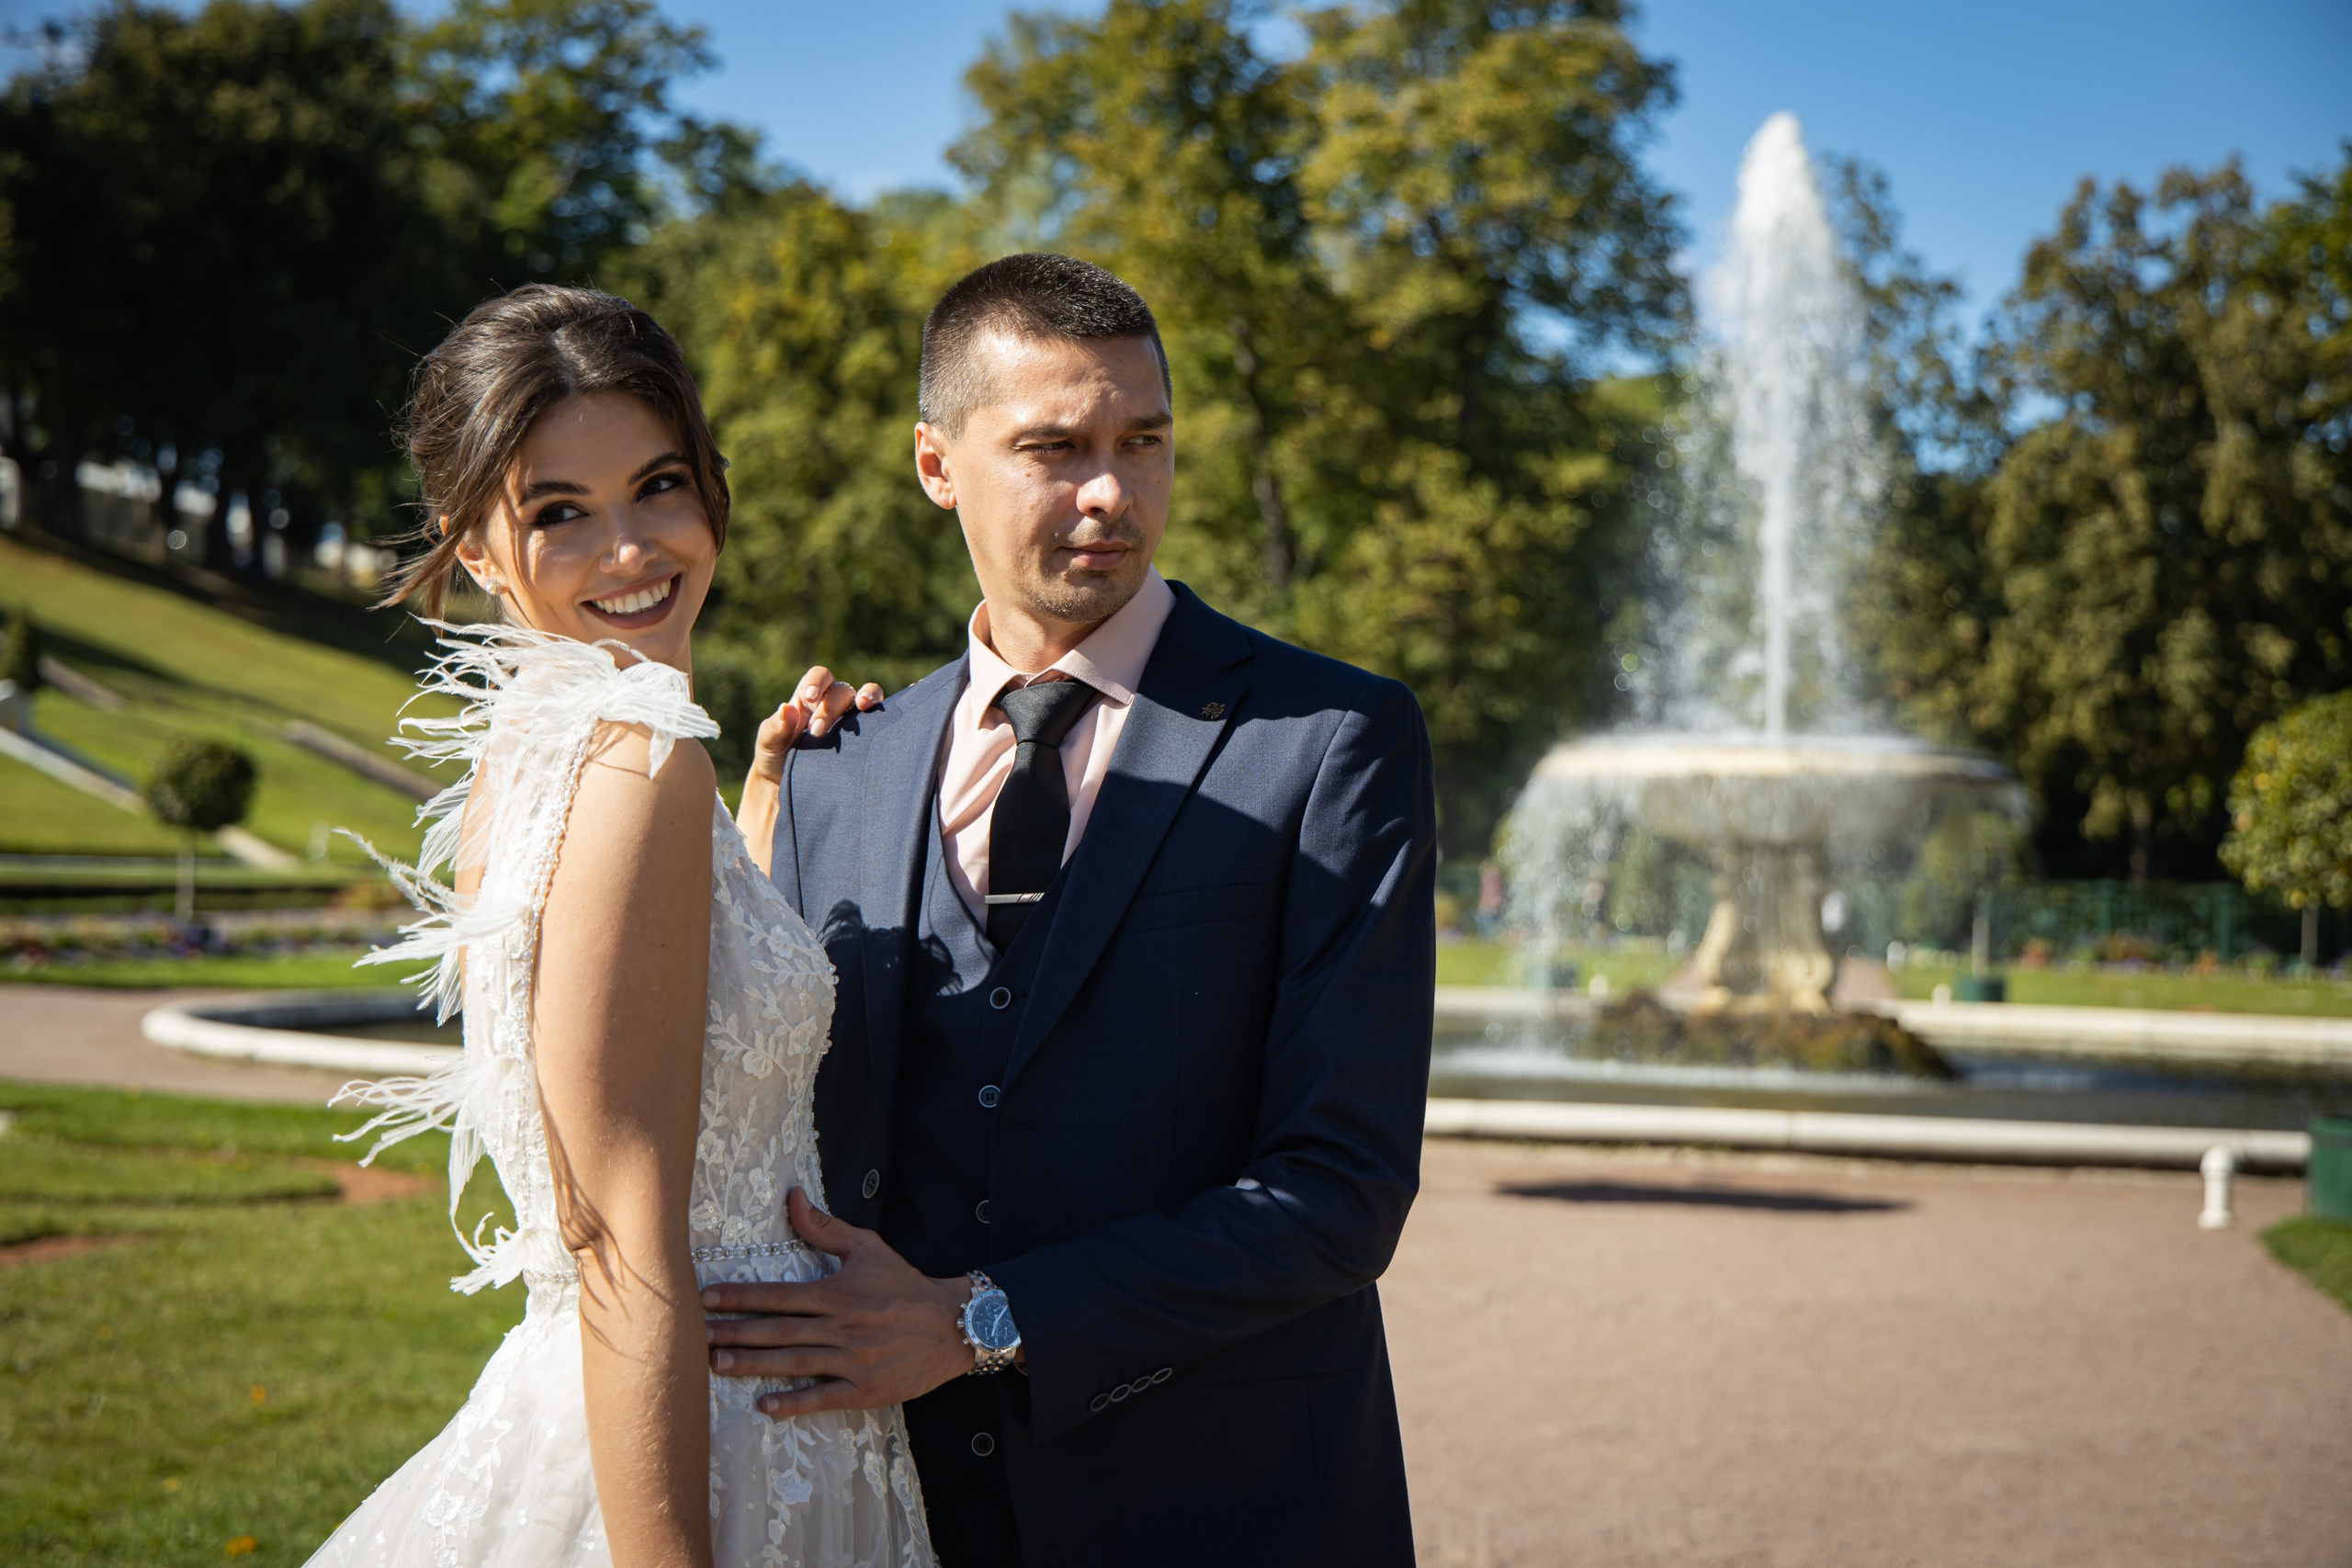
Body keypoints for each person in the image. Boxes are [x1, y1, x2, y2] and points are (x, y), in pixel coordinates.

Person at [710, 254, 1437, 1566]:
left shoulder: (1333, 737)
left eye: (1143, 441)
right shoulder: (837, 769)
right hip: (901, 1503)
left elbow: (1343, 1187)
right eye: (1055, 449)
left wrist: (981, 1321)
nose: (1112, 492)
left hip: (1229, 1507)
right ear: (936, 463)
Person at [303, 284, 934, 1568]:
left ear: (708, 484)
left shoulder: (538, 756)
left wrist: (759, 813)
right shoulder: (637, 760)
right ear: (475, 549)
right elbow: (617, 1235)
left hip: (683, 1404)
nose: (631, 549)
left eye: (658, 486)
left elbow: (664, 1005)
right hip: (708, 1443)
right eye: (559, 513)